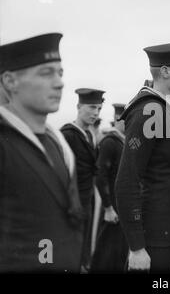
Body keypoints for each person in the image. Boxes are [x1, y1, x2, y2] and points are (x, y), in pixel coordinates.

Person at [0, 33, 83, 272]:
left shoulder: (57, 143)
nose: (59, 83)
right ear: (10, 81)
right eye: (46, 73)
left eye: (60, 73)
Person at [115, 41, 170, 272]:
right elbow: (126, 181)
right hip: (154, 239)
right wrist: (137, 247)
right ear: (165, 71)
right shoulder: (147, 112)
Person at [61, 88, 105, 271]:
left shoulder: (89, 135)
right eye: (92, 107)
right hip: (73, 203)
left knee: (85, 248)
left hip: (88, 200)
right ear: (79, 107)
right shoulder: (68, 135)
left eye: (99, 109)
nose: (95, 113)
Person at [90, 103, 129, 272]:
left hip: (122, 207)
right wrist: (108, 207)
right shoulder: (110, 142)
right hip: (112, 207)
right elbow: (100, 175)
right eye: (126, 120)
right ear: (117, 119)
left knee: (118, 252)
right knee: (106, 253)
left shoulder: (124, 142)